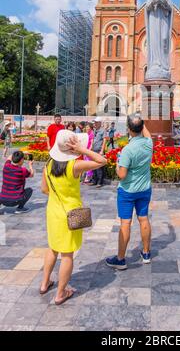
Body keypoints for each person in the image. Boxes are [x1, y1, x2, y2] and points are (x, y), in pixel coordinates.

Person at [40, 130, 107, 306]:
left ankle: (44, 283)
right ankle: (61, 293)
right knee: (67, 255)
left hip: (53, 211)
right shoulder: (74, 167)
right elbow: (102, 161)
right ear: (71, 149)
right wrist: (83, 150)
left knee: (53, 248)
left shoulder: (47, 164)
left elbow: (44, 190)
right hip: (70, 214)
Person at [106, 115, 153, 270]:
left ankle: (120, 259)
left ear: (129, 129)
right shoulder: (148, 143)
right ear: (142, 127)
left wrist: (117, 165)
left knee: (126, 223)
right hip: (144, 188)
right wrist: (140, 119)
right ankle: (146, 253)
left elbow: (122, 175)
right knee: (143, 219)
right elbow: (146, 132)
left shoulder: (127, 150)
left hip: (127, 190)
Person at [89, 117, 106, 187]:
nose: (94, 124)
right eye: (94, 122)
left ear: (99, 123)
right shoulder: (94, 130)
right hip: (93, 150)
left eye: (96, 122)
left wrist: (102, 150)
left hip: (99, 150)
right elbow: (92, 140)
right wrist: (90, 148)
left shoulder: (103, 130)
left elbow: (104, 140)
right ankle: (94, 180)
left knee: (99, 167)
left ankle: (100, 182)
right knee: (93, 166)